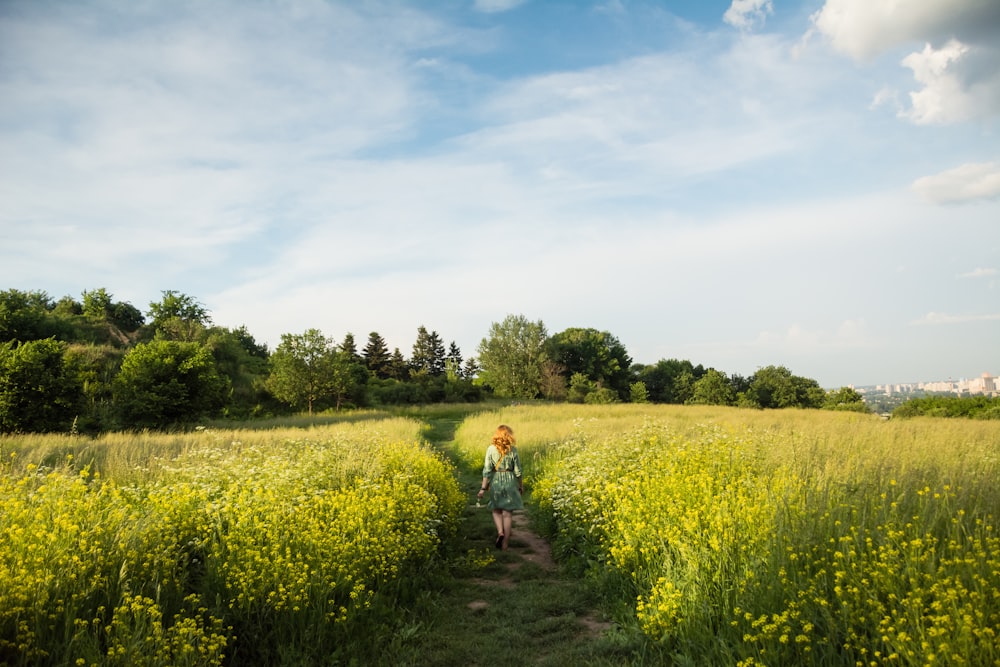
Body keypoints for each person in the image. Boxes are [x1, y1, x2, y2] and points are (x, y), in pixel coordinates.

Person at [477, 424, 523, 550]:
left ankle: (500, 532)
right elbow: (518, 471)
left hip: (496, 480)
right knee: (507, 514)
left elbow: (487, 470)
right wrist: (521, 486)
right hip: (510, 480)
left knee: (496, 509)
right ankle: (505, 544)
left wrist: (483, 488)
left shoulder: (490, 449)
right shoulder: (513, 450)